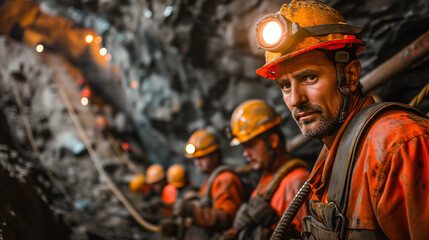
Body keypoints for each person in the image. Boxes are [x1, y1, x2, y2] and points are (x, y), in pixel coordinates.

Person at [254, 1, 429, 239]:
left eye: (310, 77)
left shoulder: (398, 145)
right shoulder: (329, 158)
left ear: (351, 75)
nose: (295, 99)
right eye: (285, 86)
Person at [223, 99, 310, 239]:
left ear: (273, 141)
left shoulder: (297, 182)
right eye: (244, 147)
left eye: (251, 145)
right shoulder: (267, 179)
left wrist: (274, 221)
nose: (245, 154)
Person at [162, 129, 244, 239]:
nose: (197, 163)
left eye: (201, 158)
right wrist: (177, 229)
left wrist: (193, 211)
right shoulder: (210, 180)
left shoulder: (225, 179)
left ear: (214, 156)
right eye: (196, 159)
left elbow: (226, 218)